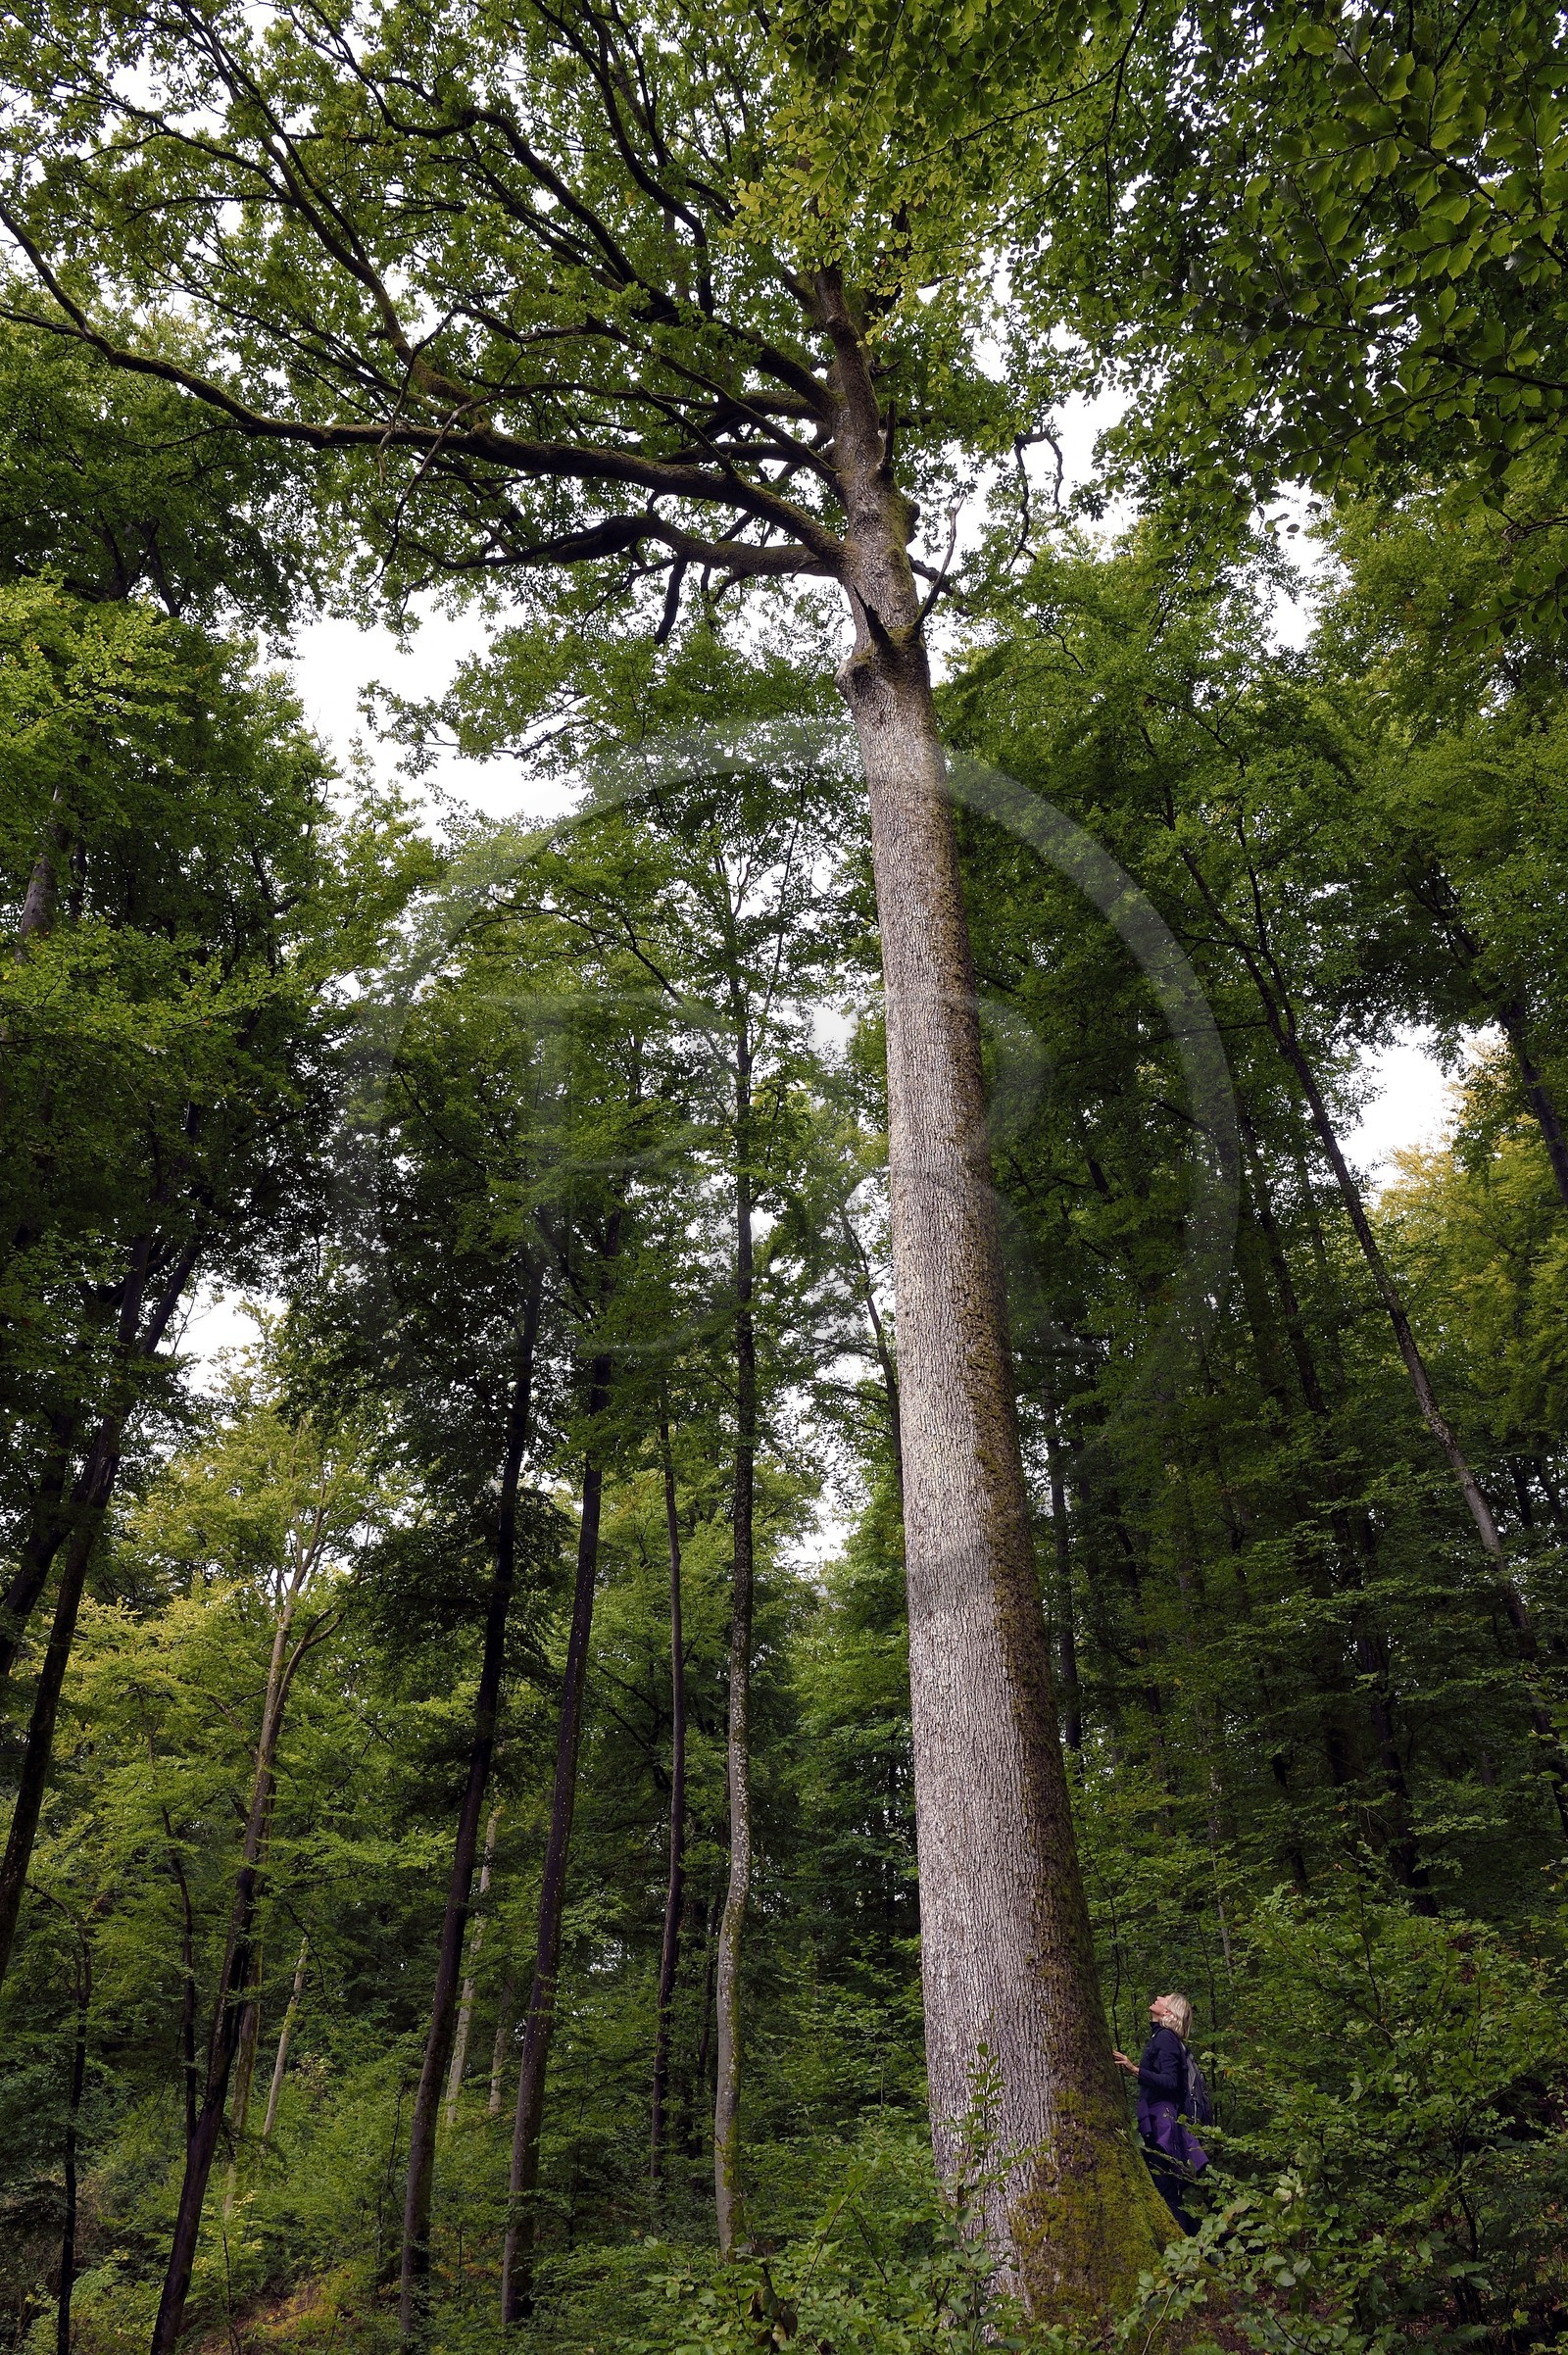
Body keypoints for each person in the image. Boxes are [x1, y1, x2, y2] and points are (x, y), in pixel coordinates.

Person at [1113, 1991, 1210, 2232]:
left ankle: (1186, 2252)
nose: (1158, 1997)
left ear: (1168, 2012)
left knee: (1166, 2191)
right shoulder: (1162, 2036)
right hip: (1160, 2120)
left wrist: (1135, 2070)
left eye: (1165, 1998)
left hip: (1162, 2123)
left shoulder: (1165, 2038)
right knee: (1164, 2188)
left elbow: (1170, 2082)